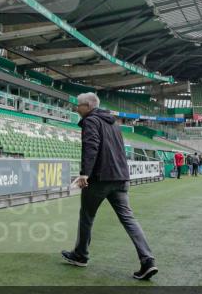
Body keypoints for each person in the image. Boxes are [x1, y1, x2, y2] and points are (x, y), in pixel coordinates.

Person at [61, 93, 157, 280]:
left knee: (87, 217)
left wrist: (84, 173)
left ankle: (80, 255)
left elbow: (91, 146)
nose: (76, 108)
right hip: (120, 178)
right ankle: (148, 260)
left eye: (78, 105)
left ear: (88, 106)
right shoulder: (113, 123)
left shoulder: (90, 121)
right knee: (128, 219)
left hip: (100, 178)